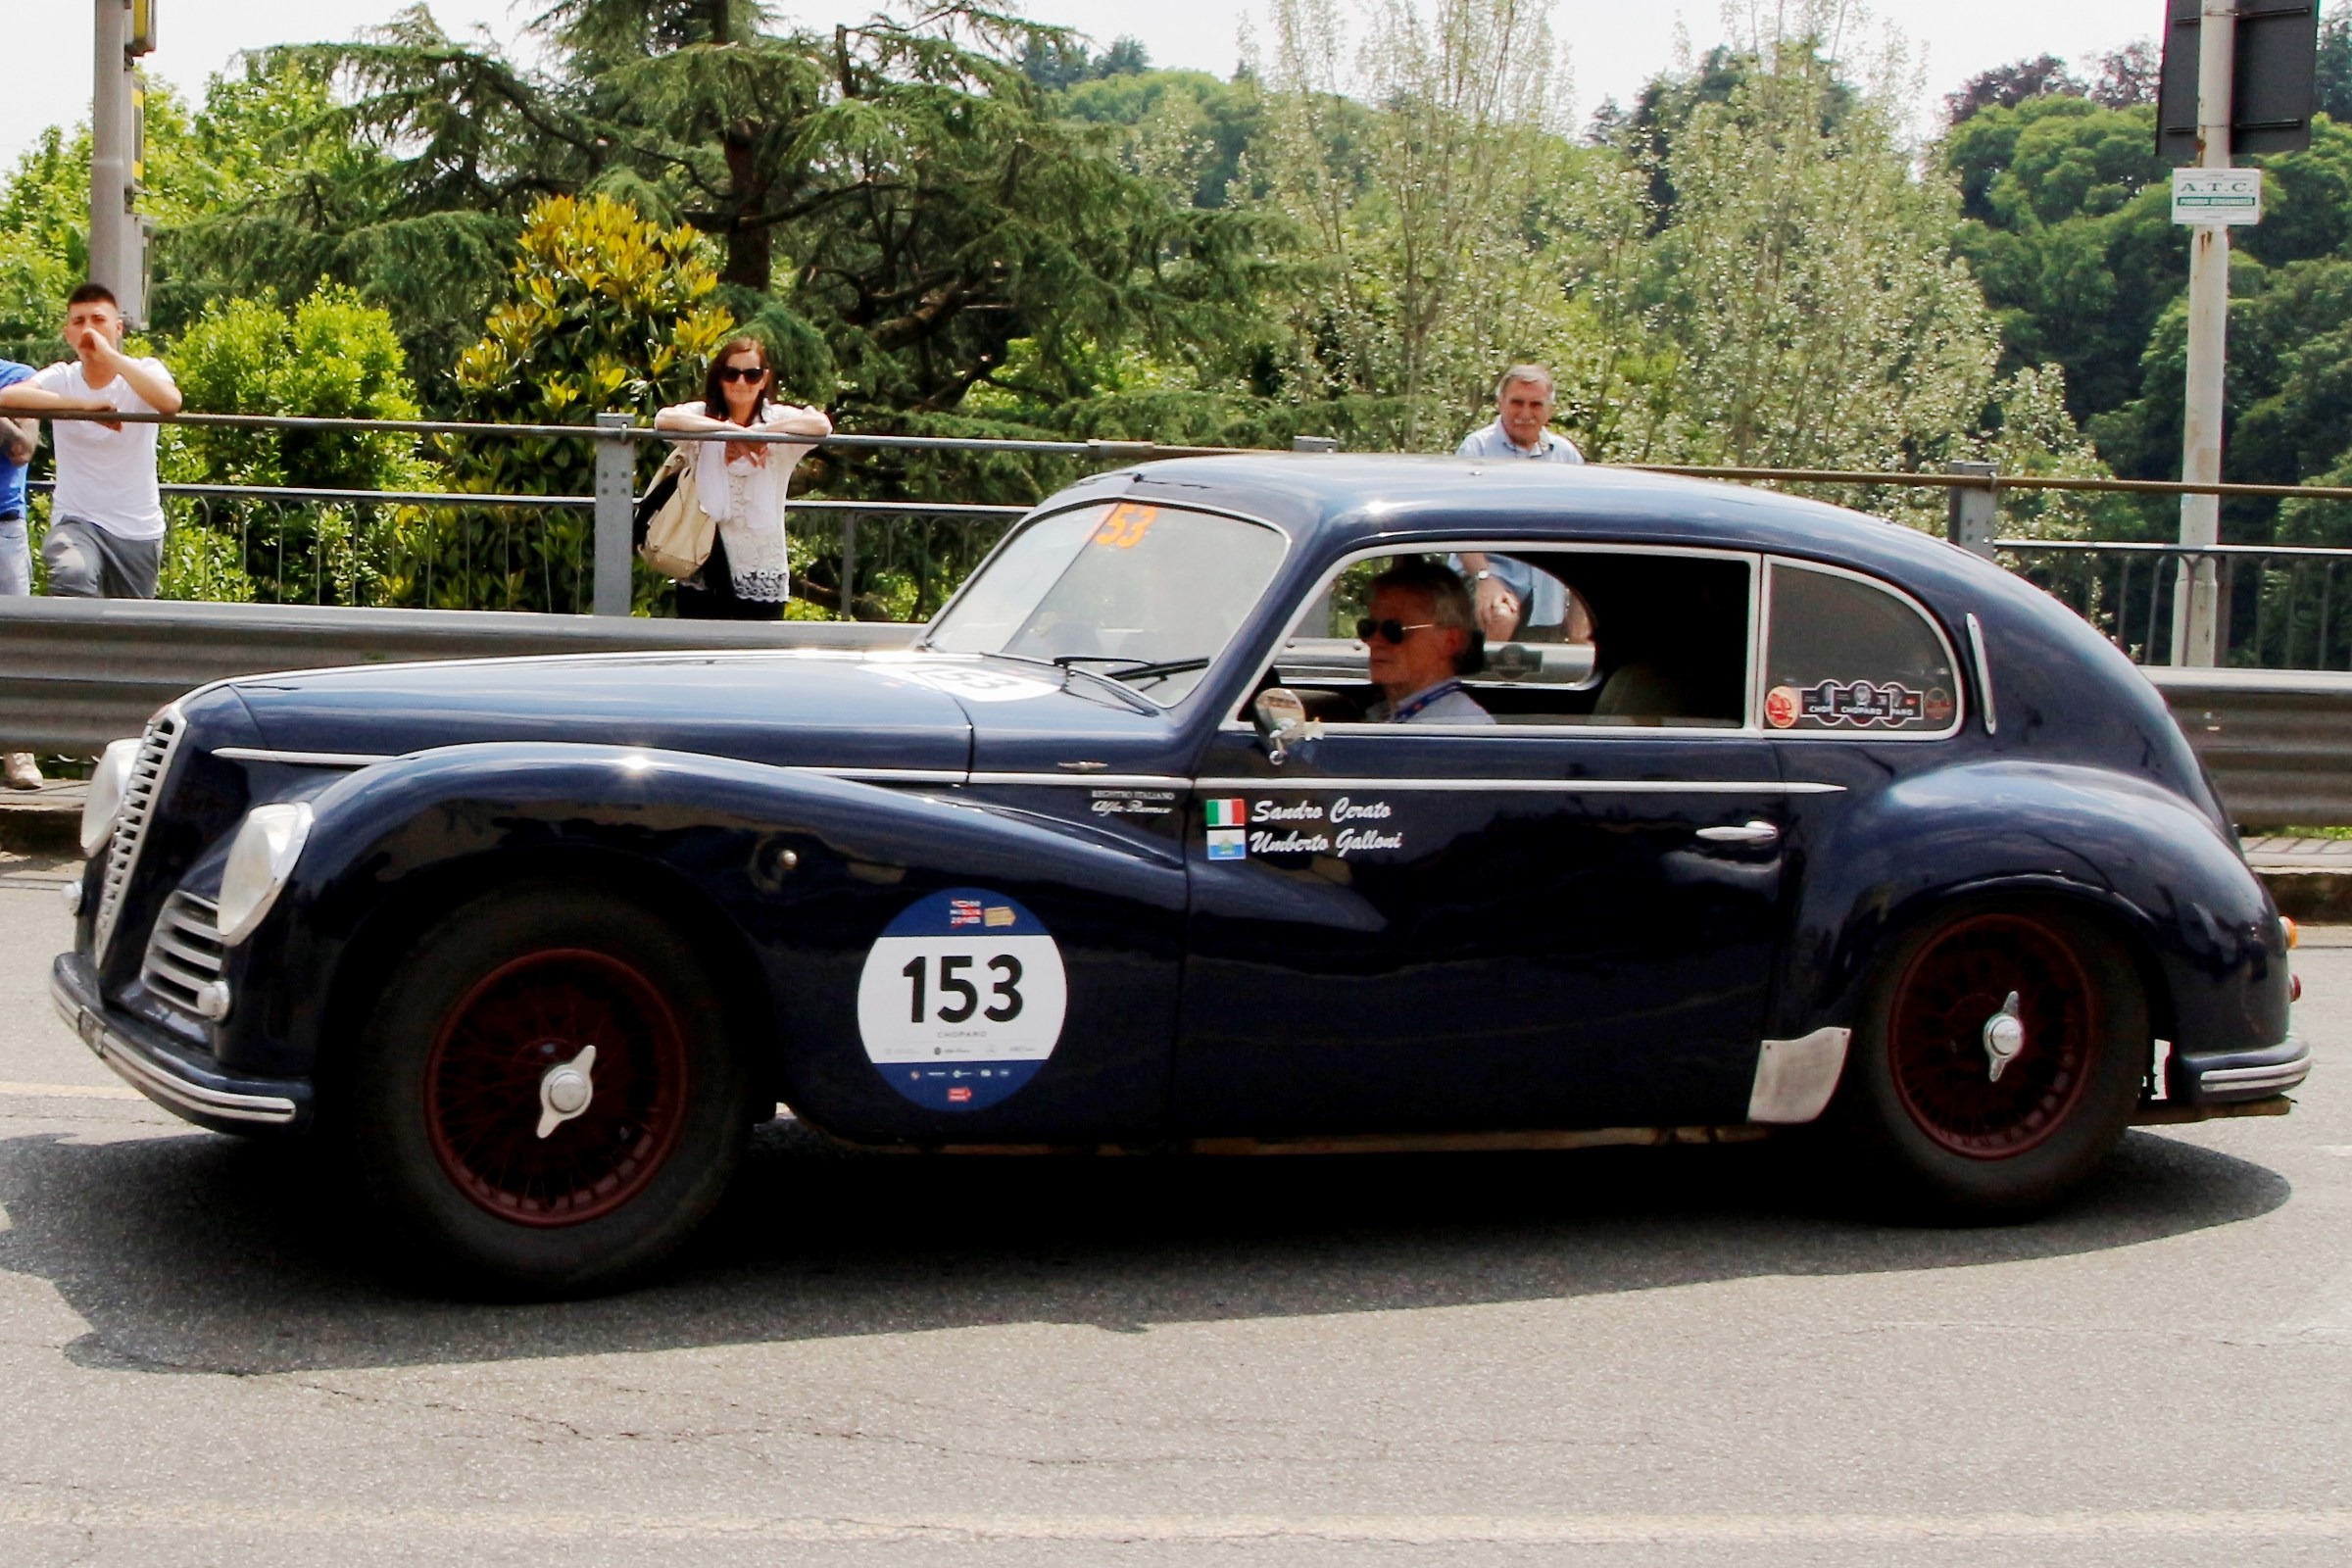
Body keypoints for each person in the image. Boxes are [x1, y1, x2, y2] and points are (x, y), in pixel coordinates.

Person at [0, 283, 181, 604]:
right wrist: (83, 408)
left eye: (98, 320)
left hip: (136, 530)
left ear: (118, 328)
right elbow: (7, 398)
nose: (88, 330)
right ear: (67, 333)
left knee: (131, 635)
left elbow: (169, 402)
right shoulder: (61, 377)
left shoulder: (146, 370)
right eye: (79, 322)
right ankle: (71, 654)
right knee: (72, 573)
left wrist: (110, 356)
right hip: (76, 521)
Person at [653, 338, 831, 620]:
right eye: (731, 373)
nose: (741, 382)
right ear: (719, 377)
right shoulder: (705, 416)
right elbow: (664, 419)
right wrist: (727, 432)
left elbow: (821, 424)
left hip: (761, 567)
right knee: (701, 657)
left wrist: (761, 434)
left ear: (764, 379)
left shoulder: (778, 420)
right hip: (703, 561)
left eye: (752, 375)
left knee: (756, 658)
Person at [1452, 365, 1590, 645]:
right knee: (1499, 617)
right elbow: (1459, 525)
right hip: (1485, 577)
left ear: (1549, 411)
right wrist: (1483, 578)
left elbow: (1585, 536)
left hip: (1546, 597)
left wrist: (1579, 609)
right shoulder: (1477, 449)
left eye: (1536, 404)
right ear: (1500, 403)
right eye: (1517, 402)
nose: (1525, 413)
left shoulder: (1566, 457)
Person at [1357, 558, 1493, 725]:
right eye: (1368, 628)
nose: (1374, 641)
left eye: (1393, 629)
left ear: (1449, 642)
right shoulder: (1389, 714)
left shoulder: (1461, 730)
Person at [0, 359, 47, 788]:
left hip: (3, 526)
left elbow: (22, 449)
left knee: (14, 641)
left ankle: (19, 751)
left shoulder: (17, 379)